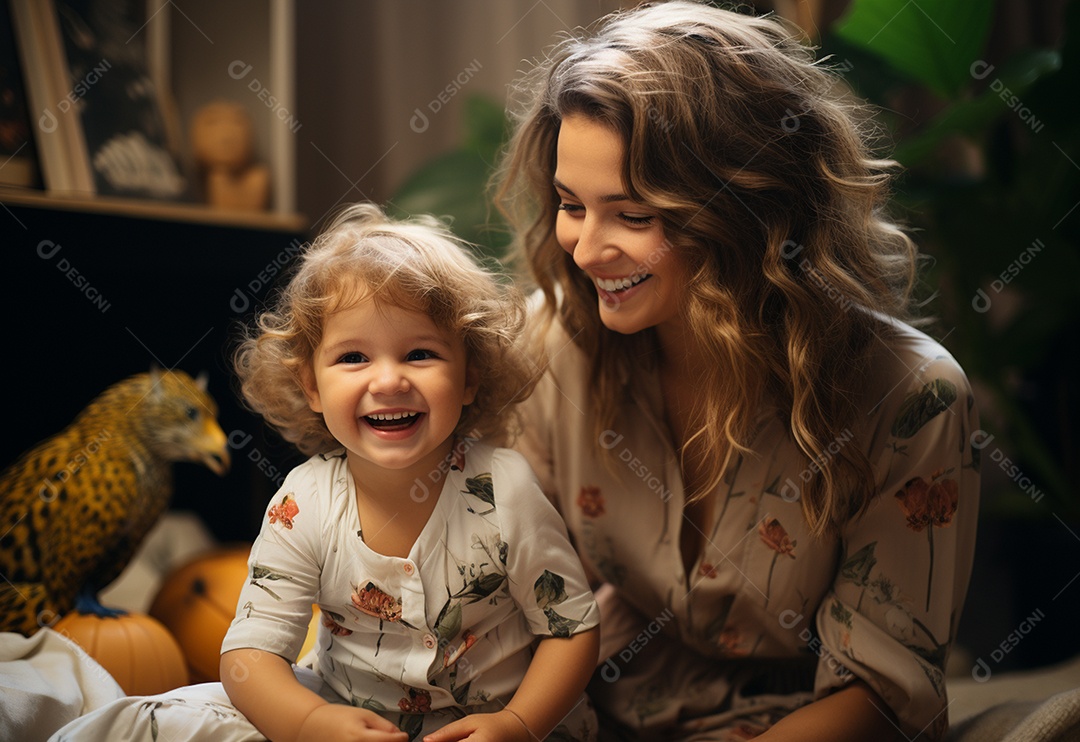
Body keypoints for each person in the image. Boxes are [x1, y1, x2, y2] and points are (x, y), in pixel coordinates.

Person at [494, 2, 979, 741]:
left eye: (631, 215)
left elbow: (884, 691)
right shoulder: (550, 346)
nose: (585, 250)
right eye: (569, 205)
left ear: (747, 209)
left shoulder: (912, 398)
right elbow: (509, 594)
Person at [50, 203, 600, 742]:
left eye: (420, 354)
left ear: (470, 377)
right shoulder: (304, 503)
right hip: (341, 717)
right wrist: (309, 724)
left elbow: (572, 630)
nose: (387, 381)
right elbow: (251, 656)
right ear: (311, 385)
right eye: (353, 358)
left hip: (501, 723)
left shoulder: (505, 489)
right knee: (172, 714)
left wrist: (519, 724)